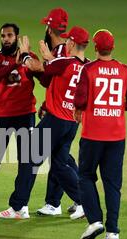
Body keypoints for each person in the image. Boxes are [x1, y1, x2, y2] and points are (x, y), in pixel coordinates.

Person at [0, 26, 89, 219]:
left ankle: (18, 207)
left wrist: (23, 55)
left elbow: (35, 66)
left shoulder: (64, 62)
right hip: (73, 123)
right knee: (59, 164)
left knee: (29, 158)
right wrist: (49, 59)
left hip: (55, 120)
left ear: (71, 43)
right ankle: (83, 202)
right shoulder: (88, 66)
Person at [74, 29, 127, 239]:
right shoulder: (125, 70)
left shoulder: (89, 69)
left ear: (95, 47)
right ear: (113, 47)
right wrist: (114, 109)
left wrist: (82, 109)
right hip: (116, 135)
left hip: (93, 134)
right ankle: (113, 231)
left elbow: (80, 99)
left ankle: (94, 221)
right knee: (112, 184)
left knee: (85, 175)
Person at [0, 23, 41, 214]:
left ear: (16, 37)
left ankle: (21, 205)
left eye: (10, 35)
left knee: (26, 161)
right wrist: (15, 63)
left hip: (26, 114)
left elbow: (43, 77)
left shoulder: (28, 57)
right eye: (3, 36)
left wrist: (34, 62)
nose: (6, 39)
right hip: (2, 116)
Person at [35, 8, 86, 219]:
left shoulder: (60, 56)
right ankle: (53, 203)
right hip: (71, 116)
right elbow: (64, 85)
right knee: (59, 159)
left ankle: (19, 205)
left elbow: (49, 76)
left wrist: (34, 62)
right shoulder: (84, 63)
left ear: (49, 28)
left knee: (36, 153)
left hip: (60, 116)